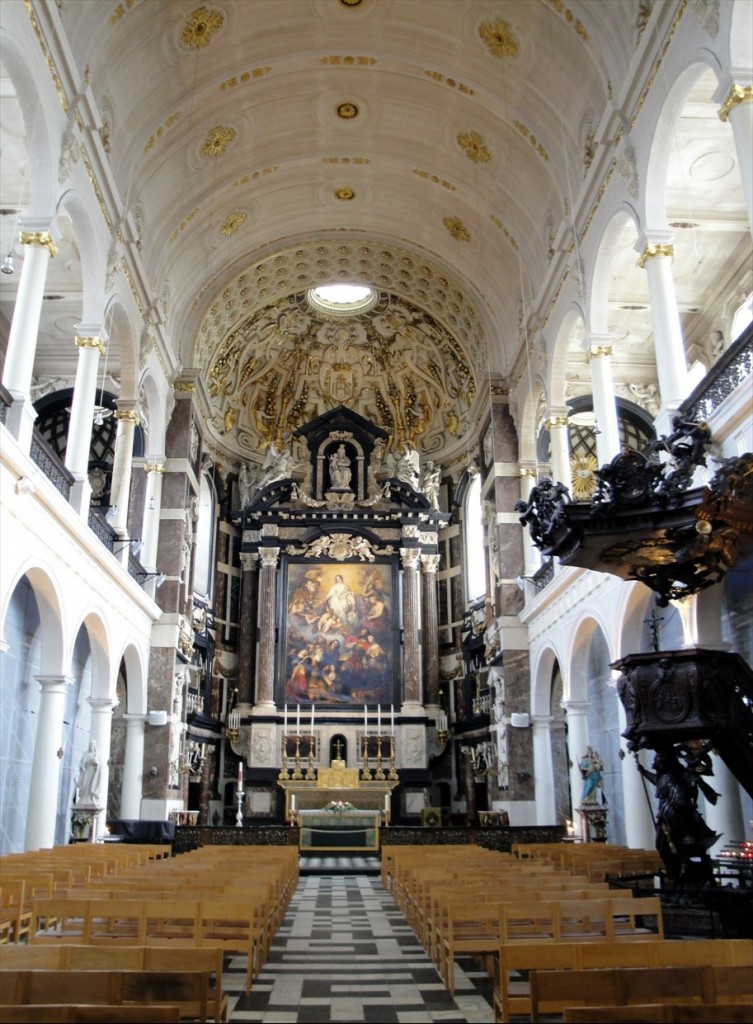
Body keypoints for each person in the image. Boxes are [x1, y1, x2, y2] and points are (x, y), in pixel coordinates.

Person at [75, 740, 102, 806]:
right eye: (90, 745)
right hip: (86, 772)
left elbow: (100, 764)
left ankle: (90, 798)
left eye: (92, 745)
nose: (91, 747)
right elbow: (82, 763)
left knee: (91, 786)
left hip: (93, 773)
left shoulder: (97, 754)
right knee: (84, 785)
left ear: (94, 746)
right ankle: (84, 798)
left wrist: (96, 764)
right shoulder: (86, 754)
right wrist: (82, 766)